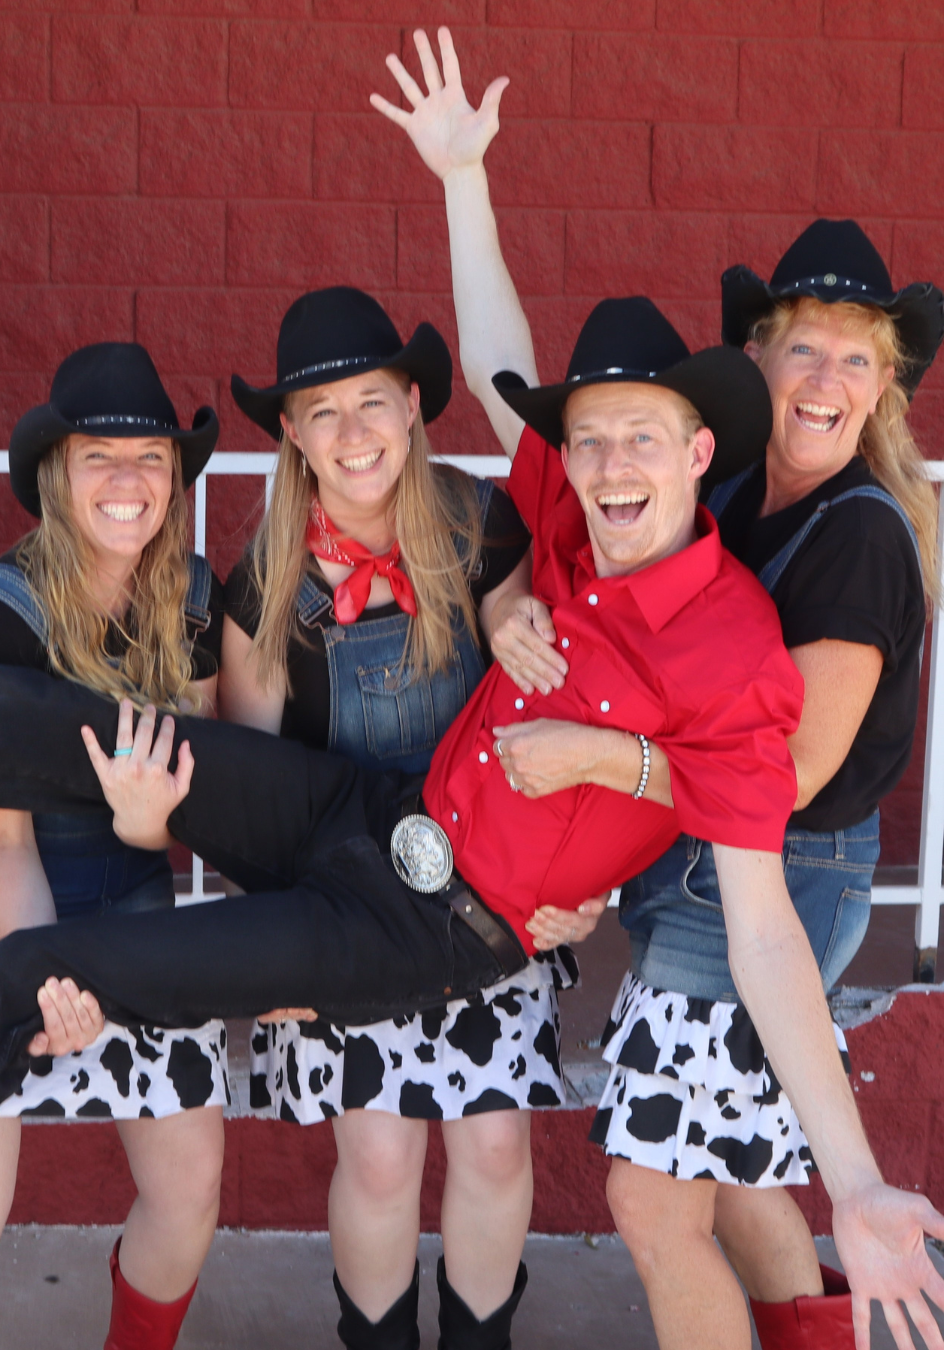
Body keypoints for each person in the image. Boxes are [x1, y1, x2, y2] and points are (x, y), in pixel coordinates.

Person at [0, 297, 941, 1349]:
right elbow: (497, 367)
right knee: (84, 727)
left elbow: (763, 932)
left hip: (430, 932)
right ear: (564, 463)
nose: (615, 465)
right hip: (373, 814)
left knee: (46, 969)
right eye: (592, 441)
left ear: (699, 451)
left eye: (643, 440)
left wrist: (855, 1181)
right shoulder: (571, 541)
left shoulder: (739, 661)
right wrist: (462, 175)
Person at [368, 27, 944, 1350]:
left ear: (886, 384)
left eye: (859, 358)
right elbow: (530, 413)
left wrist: (589, 773)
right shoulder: (721, 486)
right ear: (755, 361)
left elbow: (778, 779)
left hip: (784, 868)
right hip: (694, 852)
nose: (828, 380)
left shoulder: (861, 536)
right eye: (806, 348)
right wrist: (467, 181)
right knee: (726, 1171)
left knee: (648, 1189)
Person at [222, 284, 574, 1349]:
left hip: (489, 899)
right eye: (321, 411)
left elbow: (528, 649)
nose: (352, 432)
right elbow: (251, 793)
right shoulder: (267, 589)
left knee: (494, 1148)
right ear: (290, 433)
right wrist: (274, 951)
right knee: (378, 1156)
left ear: (417, 404)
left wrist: (515, 618)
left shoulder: (477, 525)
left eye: (371, 401)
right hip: (346, 911)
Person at [0, 343, 230, 1350]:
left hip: (125, 890)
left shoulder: (195, 598)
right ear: (54, 479)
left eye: (149, 458)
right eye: (97, 458)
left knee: (191, 1178)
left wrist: (155, 828)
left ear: (175, 477)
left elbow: (200, 784)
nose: (127, 483)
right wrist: (46, 981)